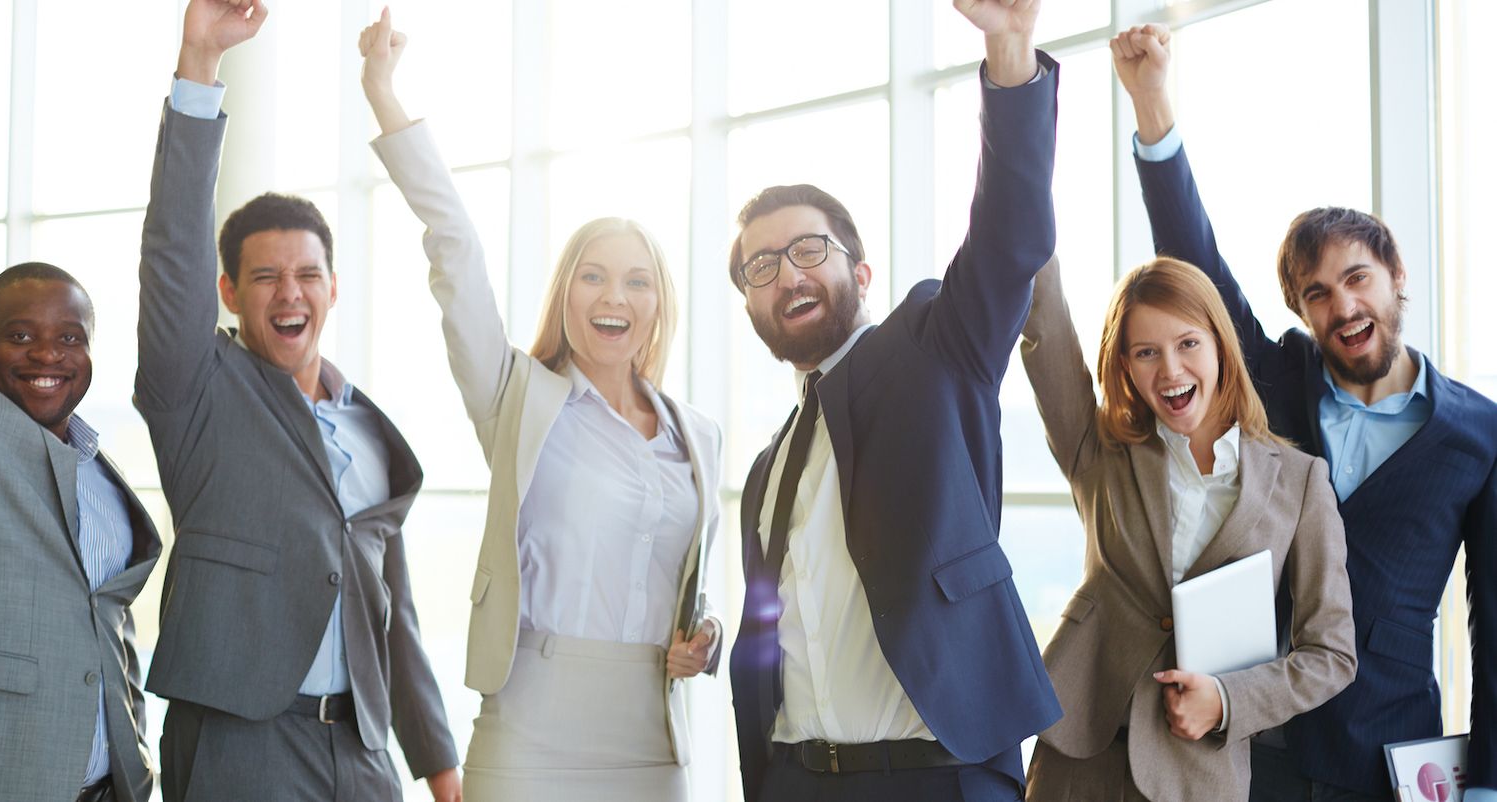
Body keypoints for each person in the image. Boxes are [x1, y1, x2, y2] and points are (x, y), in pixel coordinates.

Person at [1113, 22, 1497, 800]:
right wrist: (1152, 104)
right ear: (1300, 310)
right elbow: (1195, 261)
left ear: (1396, 275)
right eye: (1317, 294)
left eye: (1358, 279)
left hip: (1386, 756)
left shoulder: (1479, 435)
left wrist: (1487, 783)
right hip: (1250, 741)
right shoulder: (1280, 382)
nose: (1343, 306)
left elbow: (1492, 626)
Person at [358, 10, 724, 801]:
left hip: (653, 738)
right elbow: (455, 246)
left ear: (658, 304)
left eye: (636, 280)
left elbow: (687, 585)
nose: (613, 296)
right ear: (566, 294)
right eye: (593, 276)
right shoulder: (516, 397)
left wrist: (708, 636)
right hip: (531, 727)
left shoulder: (699, 436)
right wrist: (384, 95)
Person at [727, 1, 1063, 799]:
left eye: (808, 249)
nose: (788, 272)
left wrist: (1010, 52)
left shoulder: (934, 349)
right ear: (750, 305)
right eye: (761, 266)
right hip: (798, 778)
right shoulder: (769, 468)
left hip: (935, 778)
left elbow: (1010, 236)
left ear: (862, 273)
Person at [134, 2, 459, 799]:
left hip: (362, 751)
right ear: (228, 293)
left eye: (308, 275)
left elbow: (391, 609)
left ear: (333, 289)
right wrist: (199, 64)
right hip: (241, 747)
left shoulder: (368, 427)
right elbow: (173, 251)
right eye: (266, 277)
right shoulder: (197, 391)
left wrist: (438, 763)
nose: (290, 293)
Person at [0, 87, 161, 802]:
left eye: (70, 337)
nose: (48, 354)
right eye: (21, 335)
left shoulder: (96, 469)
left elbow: (105, 628)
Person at [1018, 255, 1356, 801]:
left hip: (1196, 777)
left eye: (1188, 343)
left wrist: (1227, 700)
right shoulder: (1099, 453)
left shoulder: (1299, 483)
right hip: (1079, 763)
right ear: (1125, 366)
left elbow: (1332, 655)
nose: (1170, 370)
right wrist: (1027, 221)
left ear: (1220, 344)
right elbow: (1045, 330)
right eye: (1146, 352)